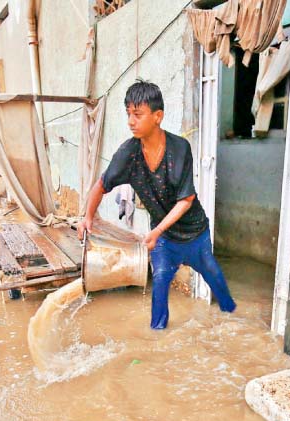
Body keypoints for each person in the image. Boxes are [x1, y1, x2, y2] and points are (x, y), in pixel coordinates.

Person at [77, 80, 236, 329]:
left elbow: (186, 200)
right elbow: (101, 184)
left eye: (137, 114)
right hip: (164, 239)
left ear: (157, 116)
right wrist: (87, 217)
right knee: (160, 282)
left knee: (213, 276)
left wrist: (156, 231)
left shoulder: (179, 148)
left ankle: (231, 318)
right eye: (128, 113)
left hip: (195, 233)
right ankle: (157, 334)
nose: (131, 121)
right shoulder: (128, 154)